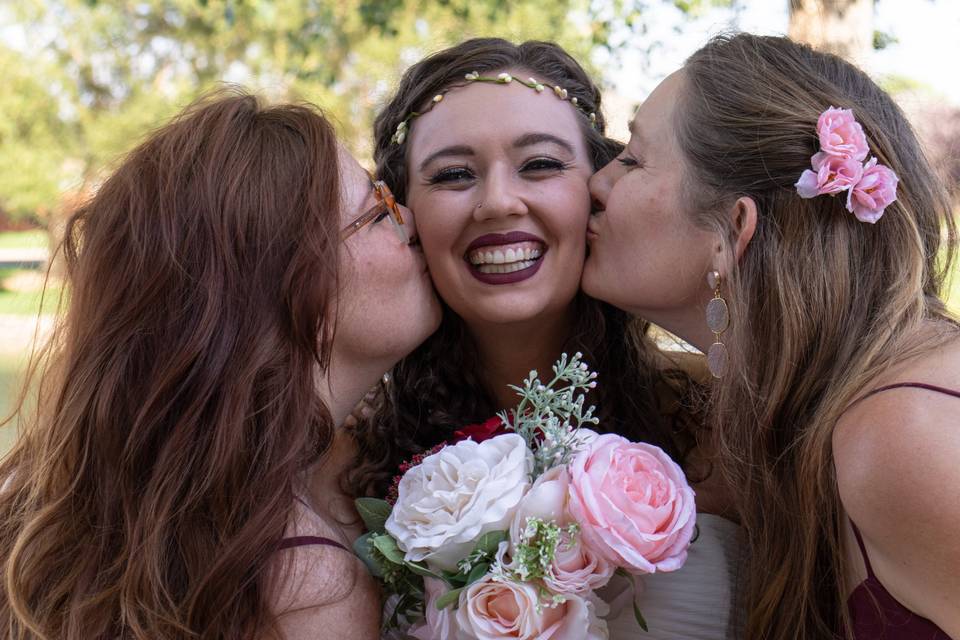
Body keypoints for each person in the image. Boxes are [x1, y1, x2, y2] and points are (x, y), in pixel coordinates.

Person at [0, 90, 440, 639]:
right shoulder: (303, 589)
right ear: (286, 287)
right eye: (377, 213)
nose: (413, 220)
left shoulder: (80, 506)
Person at [351, 37, 744, 639]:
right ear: (403, 213)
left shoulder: (723, 421)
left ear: (601, 189)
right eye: (454, 175)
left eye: (540, 165)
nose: (498, 203)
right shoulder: (346, 455)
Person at [584, 32, 960, 639]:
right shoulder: (816, 401)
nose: (595, 183)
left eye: (632, 158)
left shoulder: (901, 436)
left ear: (734, 230)